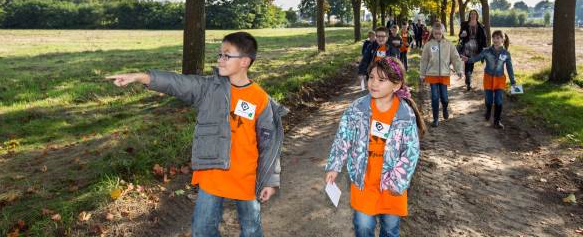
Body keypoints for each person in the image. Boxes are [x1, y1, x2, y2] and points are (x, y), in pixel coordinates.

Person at [106, 32, 287, 237]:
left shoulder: (260, 99)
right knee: (202, 230)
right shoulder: (208, 88)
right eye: (219, 54)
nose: (220, 59)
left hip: (247, 177)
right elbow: (178, 83)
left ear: (244, 61)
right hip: (212, 174)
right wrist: (141, 77)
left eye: (226, 55)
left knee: (251, 229)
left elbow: (270, 143)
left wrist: (270, 181)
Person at [325, 57, 426, 237]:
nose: (373, 83)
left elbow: (411, 150)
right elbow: (343, 138)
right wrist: (334, 165)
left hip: (391, 185)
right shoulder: (357, 109)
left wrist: (397, 181)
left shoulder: (405, 114)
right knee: (363, 226)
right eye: (371, 77)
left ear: (396, 85)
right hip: (364, 183)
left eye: (381, 79)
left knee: (390, 228)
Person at [462, 30, 516, 129]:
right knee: (489, 100)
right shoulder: (486, 51)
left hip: (500, 80)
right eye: (494, 38)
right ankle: (488, 111)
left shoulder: (506, 53)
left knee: (499, 101)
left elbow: (509, 68)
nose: (495, 40)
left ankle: (497, 121)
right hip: (488, 79)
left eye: (498, 38)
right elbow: (477, 58)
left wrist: (513, 82)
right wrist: (468, 60)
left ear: (503, 40)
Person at [419, 22, 464, 127]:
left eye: (439, 33)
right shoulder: (428, 45)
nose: (437, 35)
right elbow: (424, 60)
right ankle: (435, 119)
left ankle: (445, 108)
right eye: (435, 33)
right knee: (434, 97)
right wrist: (422, 74)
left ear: (443, 32)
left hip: (444, 74)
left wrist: (459, 70)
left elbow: (455, 58)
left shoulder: (448, 44)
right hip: (432, 75)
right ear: (432, 33)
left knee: (444, 98)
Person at [458, 10, 488, 91]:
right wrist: (462, 35)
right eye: (472, 14)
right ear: (470, 15)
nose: (473, 15)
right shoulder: (464, 24)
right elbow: (460, 35)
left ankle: (468, 76)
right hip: (467, 45)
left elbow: (484, 38)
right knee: (467, 61)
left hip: (476, 46)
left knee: (471, 61)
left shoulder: (481, 26)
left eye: (475, 14)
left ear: (477, 16)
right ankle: (468, 79)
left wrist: (485, 47)